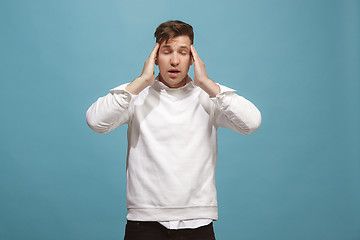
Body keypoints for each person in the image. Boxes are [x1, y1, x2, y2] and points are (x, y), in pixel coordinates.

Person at [86, 20, 261, 240]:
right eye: (167, 52)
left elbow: (251, 122)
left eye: (183, 52)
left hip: (198, 220)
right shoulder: (135, 94)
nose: (175, 60)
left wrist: (207, 84)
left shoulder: (210, 96)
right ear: (155, 58)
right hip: (145, 221)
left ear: (192, 59)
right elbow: (95, 121)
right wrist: (140, 82)